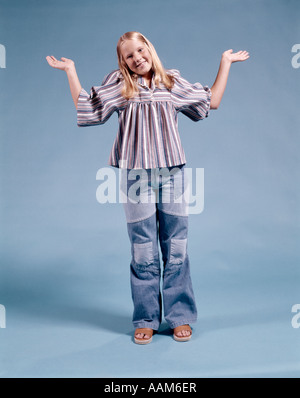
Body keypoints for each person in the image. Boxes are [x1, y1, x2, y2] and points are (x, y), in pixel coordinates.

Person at [46, 31, 249, 344]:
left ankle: (180, 316)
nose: (137, 57)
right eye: (129, 55)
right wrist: (71, 72)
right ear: (123, 62)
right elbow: (89, 107)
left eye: (140, 50)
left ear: (150, 49)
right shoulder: (120, 84)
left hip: (173, 175)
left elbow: (213, 101)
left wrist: (225, 62)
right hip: (136, 178)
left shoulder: (171, 81)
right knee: (143, 250)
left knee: (176, 247)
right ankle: (146, 318)